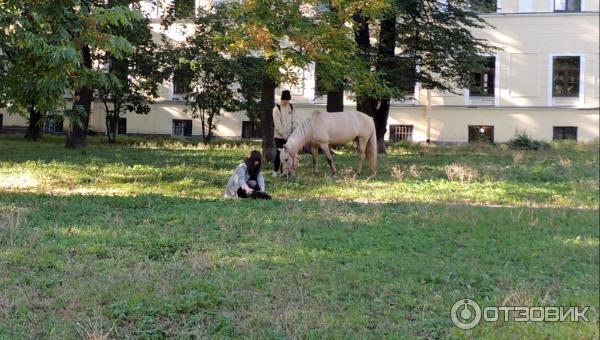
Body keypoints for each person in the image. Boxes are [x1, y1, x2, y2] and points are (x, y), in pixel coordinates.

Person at [272, 90, 298, 177]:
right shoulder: (276, 109)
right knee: (280, 154)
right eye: (285, 101)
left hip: (290, 136)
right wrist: (284, 134)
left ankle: (287, 171)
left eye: (288, 101)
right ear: (282, 99)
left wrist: (293, 132)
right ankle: (275, 172)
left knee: (290, 154)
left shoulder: (291, 107)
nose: (287, 103)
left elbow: (294, 120)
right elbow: (277, 125)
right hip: (279, 136)